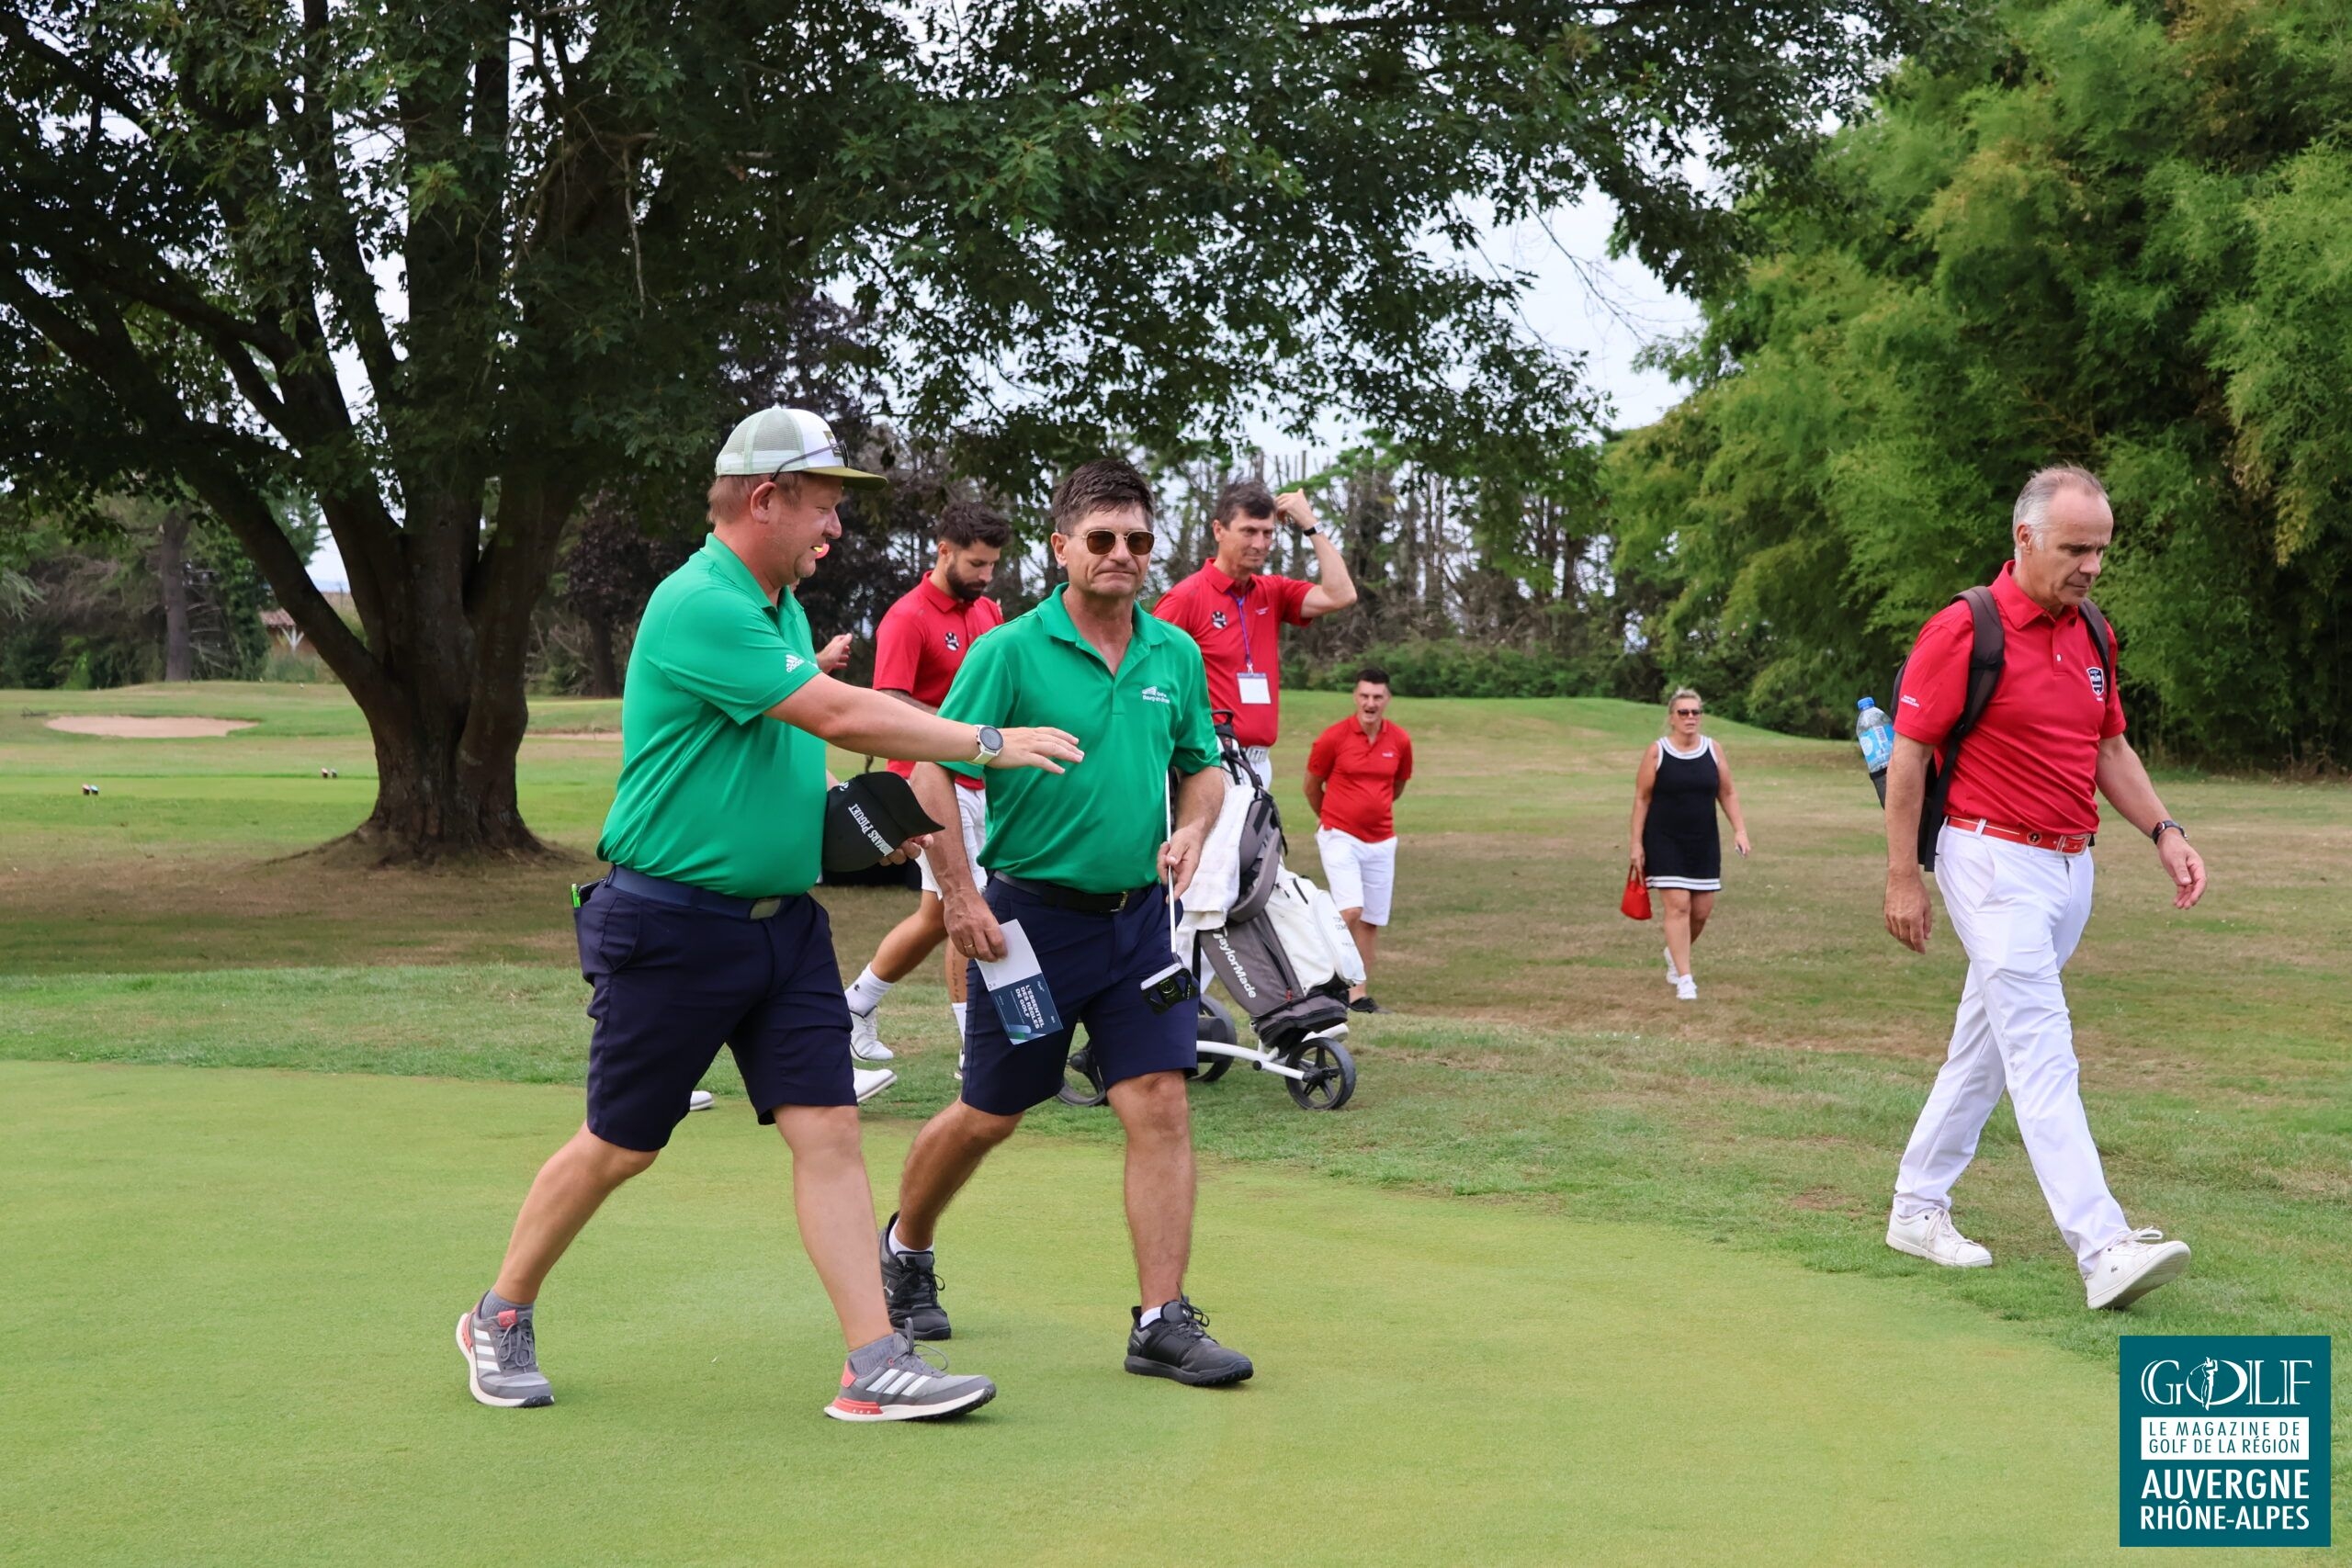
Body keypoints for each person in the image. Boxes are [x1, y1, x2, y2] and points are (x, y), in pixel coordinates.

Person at [455, 406, 1083, 1421]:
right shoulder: (700, 604)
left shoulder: (780, 607)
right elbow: (832, 711)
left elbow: (788, 742)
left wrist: (855, 817)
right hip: (670, 922)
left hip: (784, 929)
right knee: (623, 1143)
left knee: (829, 1130)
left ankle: (872, 1363)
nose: (835, 528)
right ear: (764, 500)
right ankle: (500, 1311)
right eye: (823, 508)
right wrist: (983, 740)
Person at [881, 457, 1256, 1388]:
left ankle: (1161, 1321)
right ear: (1061, 547)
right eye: (1101, 539)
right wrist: (959, 894)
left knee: (1160, 1102)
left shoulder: (1172, 653)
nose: (1122, 553)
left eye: (1138, 539)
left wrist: (1194, 825)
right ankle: (905, 1245)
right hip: (1029, 928)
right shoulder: (1009, 651)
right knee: (990, 1114)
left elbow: (1202, 766)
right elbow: (931, 770)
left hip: (1139, 927)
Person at [1883, 464, 2207, 1312]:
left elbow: (2109, 747)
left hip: (2071, 865)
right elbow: (1909, 757)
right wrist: (1903, 877)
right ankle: (2102, 1246)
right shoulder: (1965, 628)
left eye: (2100, 549)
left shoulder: (2094, 629)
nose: (2091, 566)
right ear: (2024, 537)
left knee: (1986, 1046)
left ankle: (1916, 1206)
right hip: (1989, 859)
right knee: (2041, 1046)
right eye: (2075, 549)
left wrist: (2165, 830)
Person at [840, 502, 1013, 1069]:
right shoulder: (907, 617)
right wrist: (964, 732)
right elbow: (888, 702)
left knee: (936, 917)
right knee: (972, 906)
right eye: (977, 563)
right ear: (943, 552)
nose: (986, 576)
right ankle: (974, 1049)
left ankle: (855, 1004)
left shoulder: (987, 610)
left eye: (992, 564)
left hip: (981, 781)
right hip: (927, 783)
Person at [1151, 478, 1357, 789]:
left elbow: (1341, 594)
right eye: (1249, 531)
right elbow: (1151, 676)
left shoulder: (1272, 592)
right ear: (1219, 530)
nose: (1260, 544)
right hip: (1210, 758)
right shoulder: (1186, 598)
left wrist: (1310, 524)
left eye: (1267, 533)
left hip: (1259, 762)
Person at [1304, 665, 1413, 1013]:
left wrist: (1372, 809)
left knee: (1371, 920)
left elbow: (1397, 785)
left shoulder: (1399, 740)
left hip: (1382, 840)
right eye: (1365, 696)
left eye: (1377, 697)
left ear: (1387, 699)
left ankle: (1357, 995)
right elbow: (1312, 785)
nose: (1370, 703)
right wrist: (1331, 816)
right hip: (1339, 834)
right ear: (1355, 697)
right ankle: (1321, 979)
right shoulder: (1333, 738)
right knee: (1350, 908)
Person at [1630, 688, 1751, 1001]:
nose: (1690, 717)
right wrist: (1636, 845)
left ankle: (1674, 953)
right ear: (1672, 718)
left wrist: (1740, 830)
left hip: (1703, 840)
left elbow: (1727, 792)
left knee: (1701, 911)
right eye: (1683, 712)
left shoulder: (1713, 749)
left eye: (1695, 712)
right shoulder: (1657, 752)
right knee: (1679, 906)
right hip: (1664, 839)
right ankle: (1685, 979)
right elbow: (1642, 798)